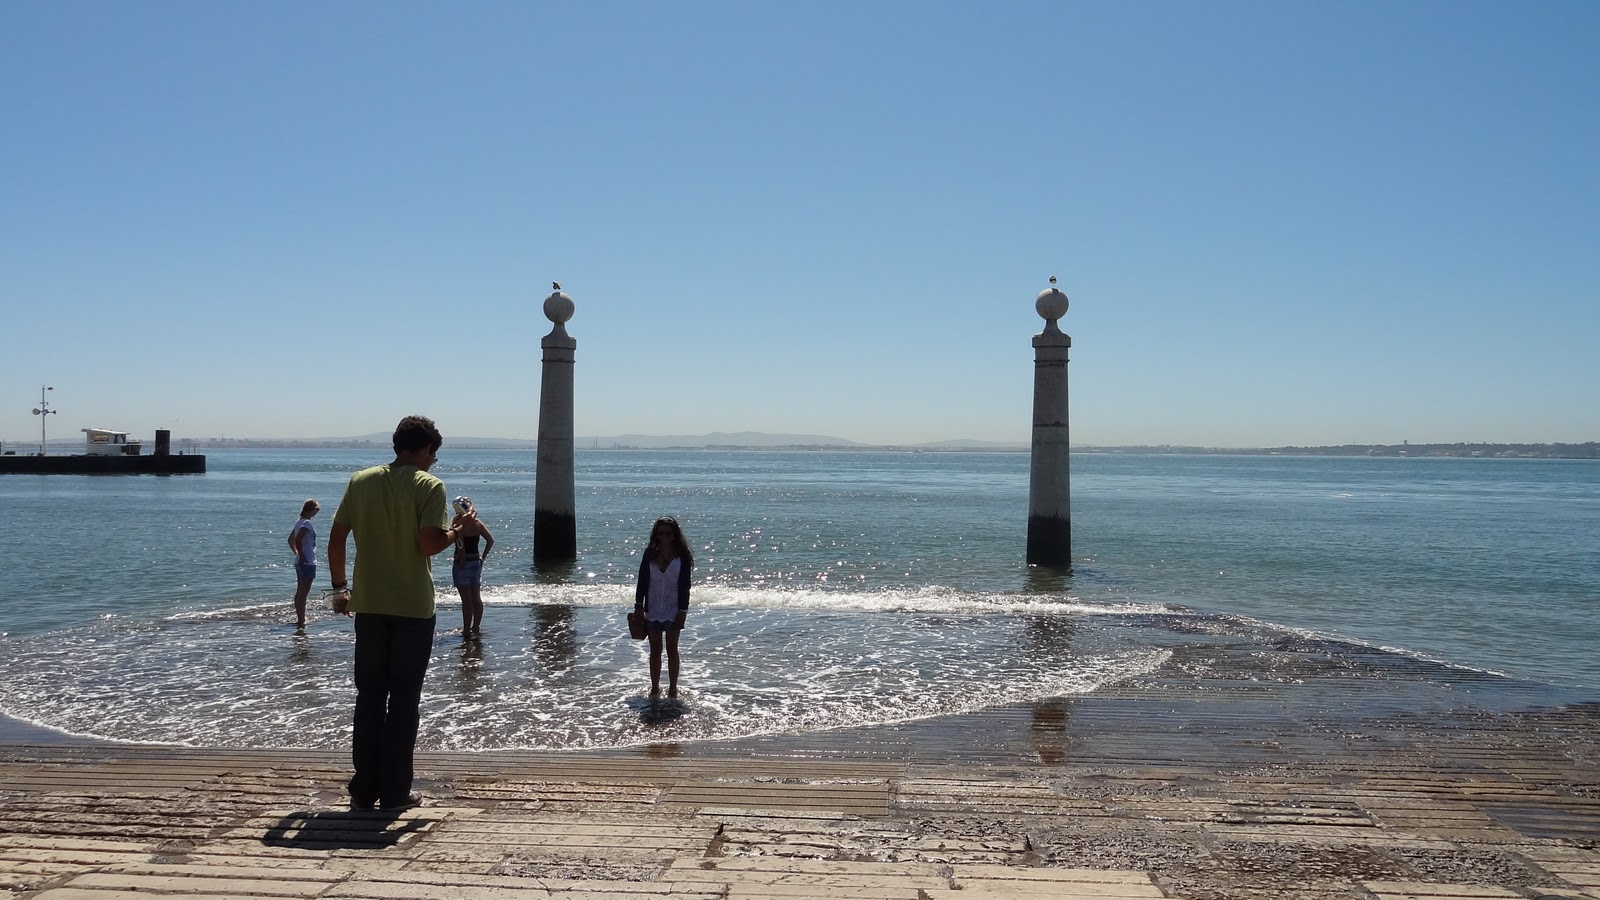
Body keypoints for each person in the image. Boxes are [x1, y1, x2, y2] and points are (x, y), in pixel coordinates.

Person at [327, 415, 474, 811]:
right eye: (434, 454)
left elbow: (338, 536)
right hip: (411, 606)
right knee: (405, 699)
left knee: (370, 696)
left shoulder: (361, 481)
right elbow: (428, 544)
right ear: (426, 449)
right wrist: (458, 530)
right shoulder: (429, 486)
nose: (433, 462)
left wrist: (340, 588)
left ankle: (363, 787)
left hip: (370, 604)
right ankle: (395, 791)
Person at [634, 516, 693, 699]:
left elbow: (685, 585)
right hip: (652, 608)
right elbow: (642, 580)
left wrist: (683, 610)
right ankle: (654, 688)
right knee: (655, 649)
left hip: (674, 608)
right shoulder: (649, 553)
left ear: (675, 534)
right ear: (656, 535)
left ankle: (673, 689)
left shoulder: (682, 555)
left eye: (668, 533)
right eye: (660, 533)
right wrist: (638, 606)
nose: (664, 536)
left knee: (672, 649)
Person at [451, 498, 494, 640]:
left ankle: (466, 630)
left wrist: (462, 559)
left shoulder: (457, 523)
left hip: (462, 562)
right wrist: (483, 557)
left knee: (466, 601)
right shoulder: (477, 523)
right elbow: (490, 540)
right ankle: (476, 626)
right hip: (476, 562)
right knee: (476, 597)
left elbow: (460, 543)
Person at [287, 499, 320, 628]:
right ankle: (301, 619)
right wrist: (302, 556)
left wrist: (297, 554)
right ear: (312, 510)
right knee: (304, 592)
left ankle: (300, 617)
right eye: (316, 510)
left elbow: (290, 540)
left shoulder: (299, 522)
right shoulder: (306, 523)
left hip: (301, 560)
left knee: (300, 591)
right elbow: (298, 540)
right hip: (307, 562)